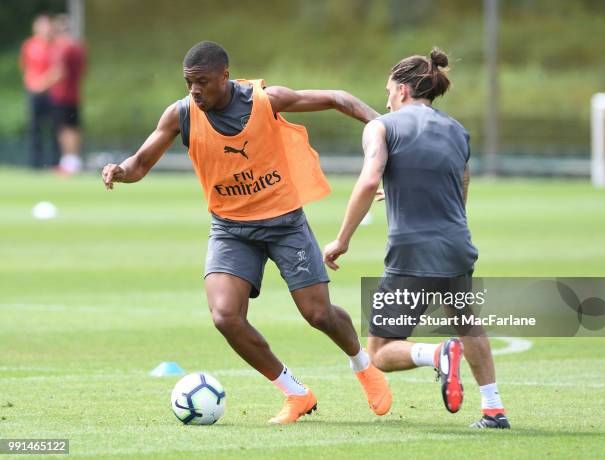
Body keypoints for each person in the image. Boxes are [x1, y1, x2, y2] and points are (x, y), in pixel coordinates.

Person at [102, 41, 391, 424]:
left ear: (225, 76)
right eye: (189, 83)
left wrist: (389, 129)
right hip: (231, 229)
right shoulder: (182, 114)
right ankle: (296, 394)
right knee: (225, 316)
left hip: (284, 222)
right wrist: (120, 171)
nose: (194, 91)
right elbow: (140, 163)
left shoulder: (265, 100)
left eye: (202, 82)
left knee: (318, 314)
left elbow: (338, 98)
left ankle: (363, 365)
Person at [323, 48, 510, 429]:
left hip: (412, 251)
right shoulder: (457, 130)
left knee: (379, 350)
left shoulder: (381, 127)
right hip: (457, 243)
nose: (387, 99)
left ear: (404, 91)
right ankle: (494, 409)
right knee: (465, 318)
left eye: (389, 90)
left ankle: (439, 354)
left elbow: (370, 178)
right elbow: (460, 181)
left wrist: (341, 239)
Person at [19, 14, 59, 169]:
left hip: (52, 92)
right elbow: (26, 67)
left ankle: (55, 163)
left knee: (55, 129)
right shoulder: (29, 45)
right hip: (34, 92)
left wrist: (44, 83)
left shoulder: (56, 47)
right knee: (35, 129)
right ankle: (35, 164)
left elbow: (58, 70)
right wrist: (33, 84)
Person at [49, 14, 87, 175]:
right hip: (74, 93)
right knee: (74, 128)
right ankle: (73, 161)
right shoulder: (78, 46)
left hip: (62, 94)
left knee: (65, 129)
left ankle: (69, 163)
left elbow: (59, 71)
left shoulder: (63, 47)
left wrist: (41, 84)